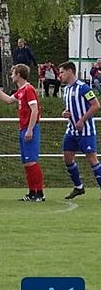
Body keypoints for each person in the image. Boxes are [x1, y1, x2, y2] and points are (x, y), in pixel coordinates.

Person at [0, 64, 44, 201]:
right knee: (26, 163)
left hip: (29, 128)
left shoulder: (29, 89)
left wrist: (30, 129)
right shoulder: (21, 91)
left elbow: (35, 110)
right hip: (23, 129)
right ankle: (32, 193)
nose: (11, 76)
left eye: (13, 73)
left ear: (19, 74)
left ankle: (40, 193)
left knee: (32, 161)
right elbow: (8, 100)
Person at [58, 61, 101, 200]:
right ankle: (78, 187)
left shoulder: (83, 88)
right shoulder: (67, 89)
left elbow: (96, 105)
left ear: (70, 71)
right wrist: (66, 113)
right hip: (72, 130)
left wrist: (82, 120)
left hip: (86, 130)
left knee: (91, 158)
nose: (60, 75)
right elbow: (71, 108)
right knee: (67, 157)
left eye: (62, 72)